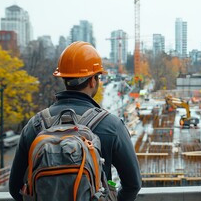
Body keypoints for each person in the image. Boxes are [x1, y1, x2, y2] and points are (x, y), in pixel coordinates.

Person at [9, 41, 142, 201]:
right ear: (93, 80)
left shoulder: (35, 125)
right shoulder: (111, 125)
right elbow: (133, 184)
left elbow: (15, 187)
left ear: (63, 78)